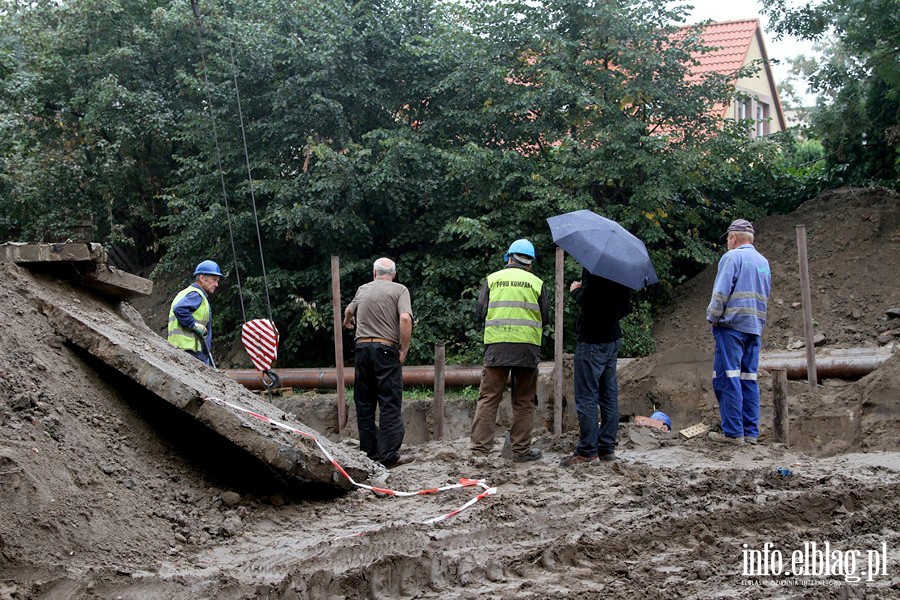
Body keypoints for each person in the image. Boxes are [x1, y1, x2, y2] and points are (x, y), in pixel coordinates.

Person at [470, 239, 548, 463]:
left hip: (497, 347)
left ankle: (480, 451)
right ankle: (520, 450)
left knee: (488, 398)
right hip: (527, 349)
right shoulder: (536, 283)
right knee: (524, 400)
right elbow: (545, 317)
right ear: (529, 263)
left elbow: (480, 313)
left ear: (508, 258)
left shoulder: (493, 280)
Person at [343, 257, 415, 469]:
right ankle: (389, 456)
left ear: (374, 273)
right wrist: (404, 348)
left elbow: (348, 310)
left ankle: (370, 453)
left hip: (362, 350)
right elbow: (404, 318)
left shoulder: (363, 289)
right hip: (385, 350)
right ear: (393, 274)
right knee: (389, 402)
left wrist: (349, 321)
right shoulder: (400, 290)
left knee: (364, 403)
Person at [706, 219, 772, 446]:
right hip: (754, 328)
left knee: (728, 378)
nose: (727, 242)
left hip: (731, 327)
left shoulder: (732, 257)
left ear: (733, 237)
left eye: (727, 239)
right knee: (748, 379)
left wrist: (713, 318)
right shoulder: (763, 262)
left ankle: (734, 434)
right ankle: (750, 432)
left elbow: (721, 292)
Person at [560, 270, 632, 466]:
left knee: (586, 396)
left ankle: (587, 451)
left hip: (592, 339)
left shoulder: (596, 268)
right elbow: (626, 308)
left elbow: (589, 300)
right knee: (608, 395)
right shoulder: (623, 270)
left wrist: (576, 291)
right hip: (612, 338)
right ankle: (606, 447)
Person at [167, 260, 222, 366]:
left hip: (179, 348)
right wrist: (193, 325)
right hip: (190, 350)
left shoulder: (185, 293)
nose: (216, 284)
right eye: (214, 280)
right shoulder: (196, 295)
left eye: (217, 281)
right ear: (202, 278)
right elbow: (180, 309)